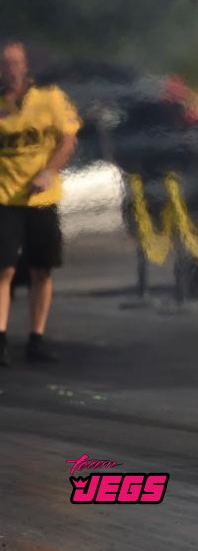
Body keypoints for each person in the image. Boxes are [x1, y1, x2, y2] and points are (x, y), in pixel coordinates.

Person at [0, 41, 81, 365]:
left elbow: (68, 139)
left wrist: (48, 172)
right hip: (5, 196)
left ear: (26, 67)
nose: (9, 70)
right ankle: (1, 338)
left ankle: (36, 338)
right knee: (3, 268)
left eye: (14, 63)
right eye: (4, 64)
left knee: (41, 269)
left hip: (40, 198)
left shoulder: (49, 98)